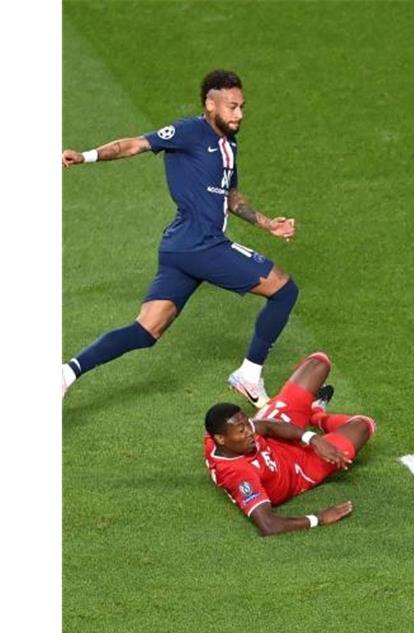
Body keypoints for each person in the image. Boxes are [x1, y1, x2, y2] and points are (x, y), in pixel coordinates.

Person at [62, 69, 298, 408]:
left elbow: (230, 196)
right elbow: (135, 145)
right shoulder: (189, 131)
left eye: (242, 107)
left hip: (180, 249)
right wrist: (85, 156)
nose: (239, 115)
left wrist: (268, 225)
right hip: (201, 244)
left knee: (146, 331)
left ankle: (67, 372)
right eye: (232, 107)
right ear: (210, 103)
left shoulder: (229, 144)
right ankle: (249, 375)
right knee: (285, 290)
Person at [203, 351, 376, 536]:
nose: (250, 432)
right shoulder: (239, 475)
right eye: (242, 431)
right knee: (364, 425)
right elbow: (268, 525)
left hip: (276, 437)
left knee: (319, 362)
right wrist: (319, 518)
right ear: (221, 439)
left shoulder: (221, 436)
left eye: (247, 424)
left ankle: (312, 416)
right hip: (299, 469)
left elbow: (267, 426)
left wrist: (312, 438)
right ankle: (318, 415)